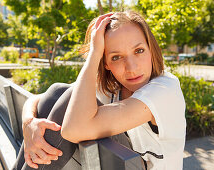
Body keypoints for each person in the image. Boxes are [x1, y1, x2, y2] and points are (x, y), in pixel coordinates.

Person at [14, 11, 186, 170]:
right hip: (117, 163)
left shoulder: (165, 90)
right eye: (116, 57)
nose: (131, 68)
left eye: (139, 50)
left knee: (70, 102)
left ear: (151, 50)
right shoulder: (113, 88)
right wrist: (29, 123)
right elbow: (40, 98)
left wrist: (95, 52)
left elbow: (74, 129)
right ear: (106, 63)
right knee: (59, 91)